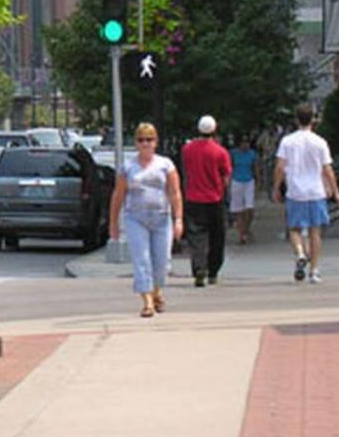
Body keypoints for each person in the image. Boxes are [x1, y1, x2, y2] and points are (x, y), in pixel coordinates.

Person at [108, 122, 183, 318]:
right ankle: (147, 302)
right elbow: (118, 195)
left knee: (162, 262)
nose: (145, 144)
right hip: (135, 218)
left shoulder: (165, 165)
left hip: (161, 217)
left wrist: (178, 219)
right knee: (141, 260)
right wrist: (113, 223)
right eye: (141, 140)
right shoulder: (128, 167)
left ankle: (157, 291)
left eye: (149, 139)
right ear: (136, 143)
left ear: (155, 142)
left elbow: (175, 193)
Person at [272, 103, 339, 283]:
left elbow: (280, 167)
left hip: (295, 191)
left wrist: (276, 187)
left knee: (294, 229)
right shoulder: (320, 142)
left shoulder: (287, 141)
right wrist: (336, 191)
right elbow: (327, 169)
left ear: (296, 120)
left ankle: (300, 253)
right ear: (313, 120)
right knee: (315, 231)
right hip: (316, 191)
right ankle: (314, 270)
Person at [180, 115, 232, 286]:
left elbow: (185, 169)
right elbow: (226, 176)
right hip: (215, 199)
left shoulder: (187, 149)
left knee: (196, 236)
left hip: (193, 198)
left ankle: (199, 267)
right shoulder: (220, 152)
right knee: (217, 237)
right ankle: (213, 271)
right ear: (214, 130)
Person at [228, 135, 259, 244]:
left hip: (249, 181)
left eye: (247, 143)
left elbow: (255, 167)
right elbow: (229, 167)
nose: (245, 145)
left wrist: (258, 180)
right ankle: (242, 234)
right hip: (236, 181)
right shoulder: (233, 154)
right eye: (243, 143)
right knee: (238, 209)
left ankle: (246, 229)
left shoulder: (252, 154)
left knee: (249, 209)